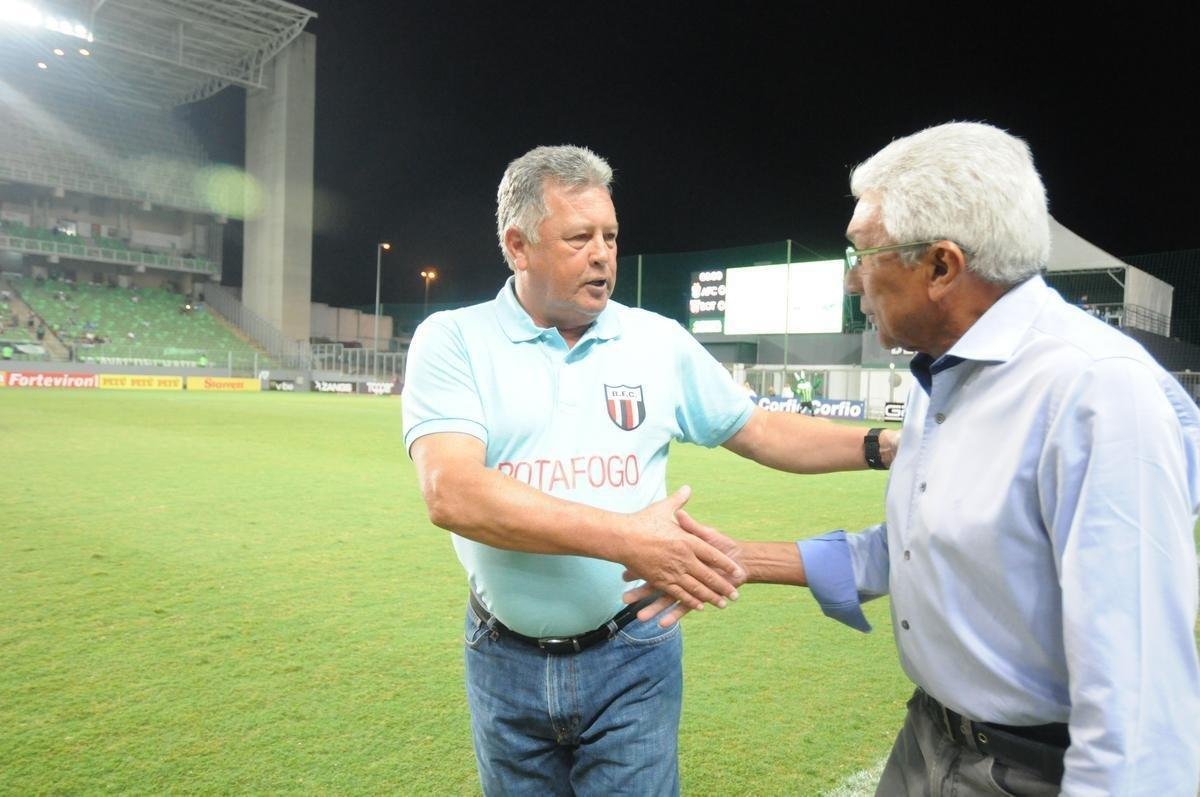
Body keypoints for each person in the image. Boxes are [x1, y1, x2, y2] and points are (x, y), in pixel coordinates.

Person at [628, 122, 1200, 795]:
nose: (852, 281)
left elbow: (1139, 710)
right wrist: (744, 559)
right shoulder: (945, 371)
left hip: (1030, 768)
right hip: (928, 740)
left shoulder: (1095, 392)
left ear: (941, 267)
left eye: (863, 254)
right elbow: (924, 546)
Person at [401, 144, 899, 796]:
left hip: (632, 653)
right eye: (579, 238)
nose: (602, 254)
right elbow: (453, 493)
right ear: (518, 246)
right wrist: (629, 539)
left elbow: (759, 430)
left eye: (610, 236)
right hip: (503, 659)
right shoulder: (454, 339)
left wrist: (879, 445)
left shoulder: (656, 341)